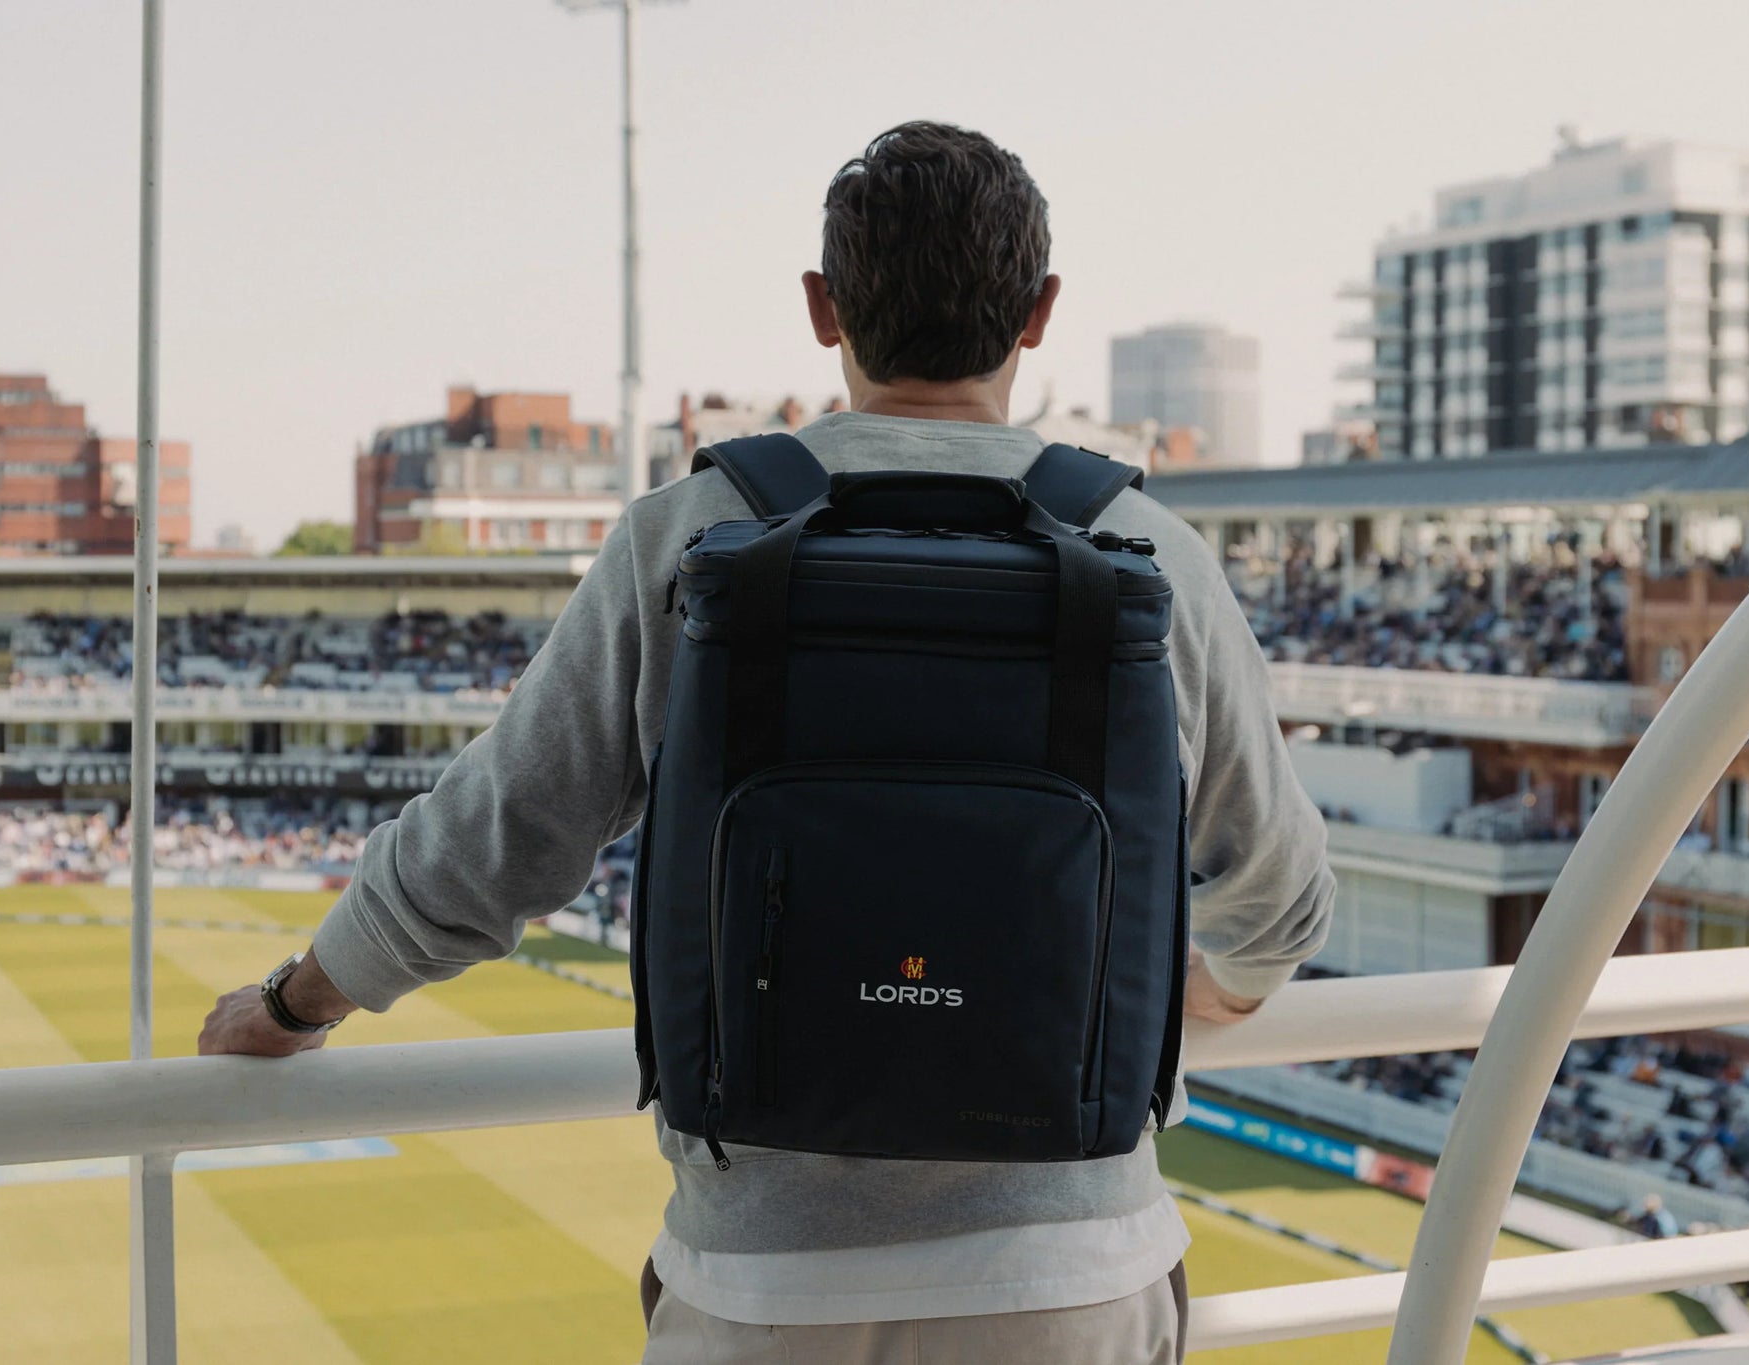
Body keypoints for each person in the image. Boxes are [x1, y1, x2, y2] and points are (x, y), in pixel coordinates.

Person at [197, 120, 1336, 1365]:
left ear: (822, 307)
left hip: (761, 1288)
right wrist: (1203, 995)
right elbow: (1277, 901)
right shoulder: (1146, 550)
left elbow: (497, 840)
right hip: (1072, 1280)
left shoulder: (691, 532)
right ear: (1039, 313)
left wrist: (295, 1001)